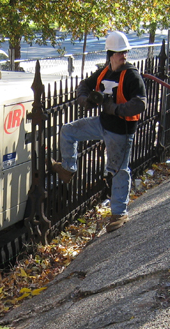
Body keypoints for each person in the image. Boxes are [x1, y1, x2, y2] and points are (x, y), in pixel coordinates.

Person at [51, 31, 147, 232]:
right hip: (103, 124)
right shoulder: (104, 72)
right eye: (119, 53)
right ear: (110, 55)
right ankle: (68, 169)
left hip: (121, 131)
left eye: (125, 52)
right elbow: (84, 85)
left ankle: (119, 214)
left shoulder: (132, 76)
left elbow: (140, 105)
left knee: (118, 170)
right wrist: (84, 99)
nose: (124, 56)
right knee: (68, 131)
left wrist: (115, 109)